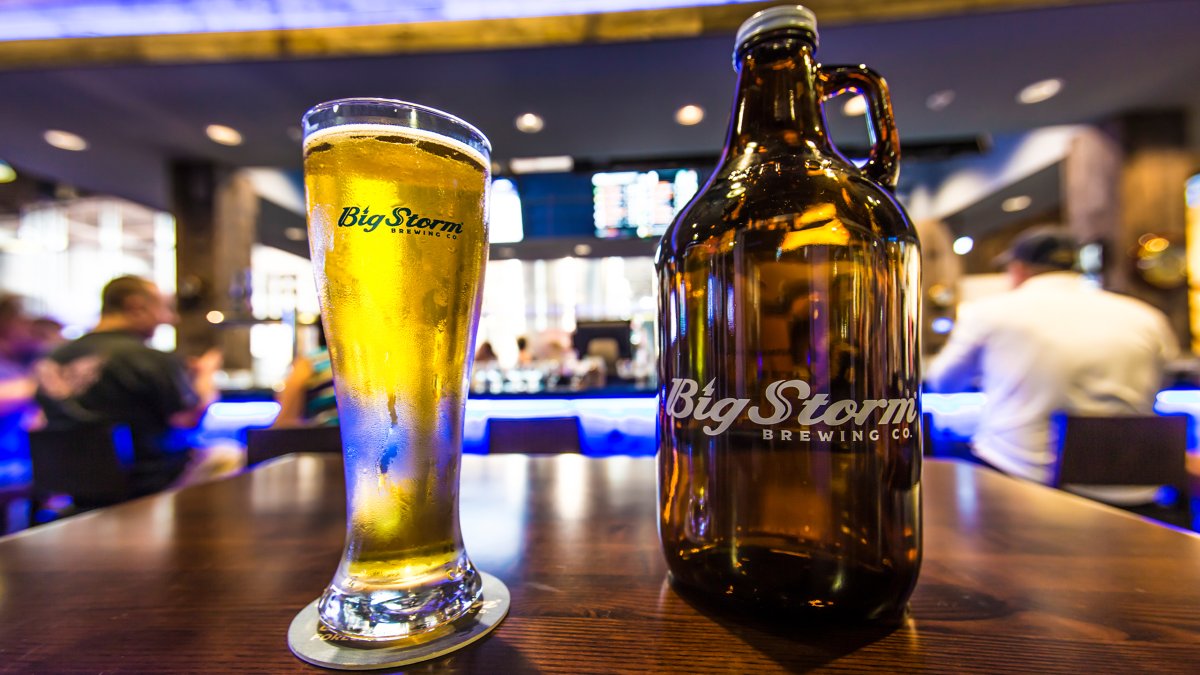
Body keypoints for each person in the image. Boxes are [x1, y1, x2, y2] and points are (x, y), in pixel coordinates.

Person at [925, 227, 1179, 495]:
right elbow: (1164, 380)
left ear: (1019, 268)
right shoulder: (1146, 315)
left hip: (1022, 484)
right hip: (1137, 487)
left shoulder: (989, 313)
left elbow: (943, 383)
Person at [34, 275, 236, 496]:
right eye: (164, 308)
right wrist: (206, 376)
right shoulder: (148, 358)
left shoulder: (54, 357)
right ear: (136, 306)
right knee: (228, 453)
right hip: (145, 482)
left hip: (69, 484)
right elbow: (189, 419)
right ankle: (187, 529)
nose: (171, 318)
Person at [274, 323, 338, 428]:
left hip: (324, 437)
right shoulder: (366, 362)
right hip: (363, 438)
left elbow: (285, 419)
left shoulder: (311, 361)